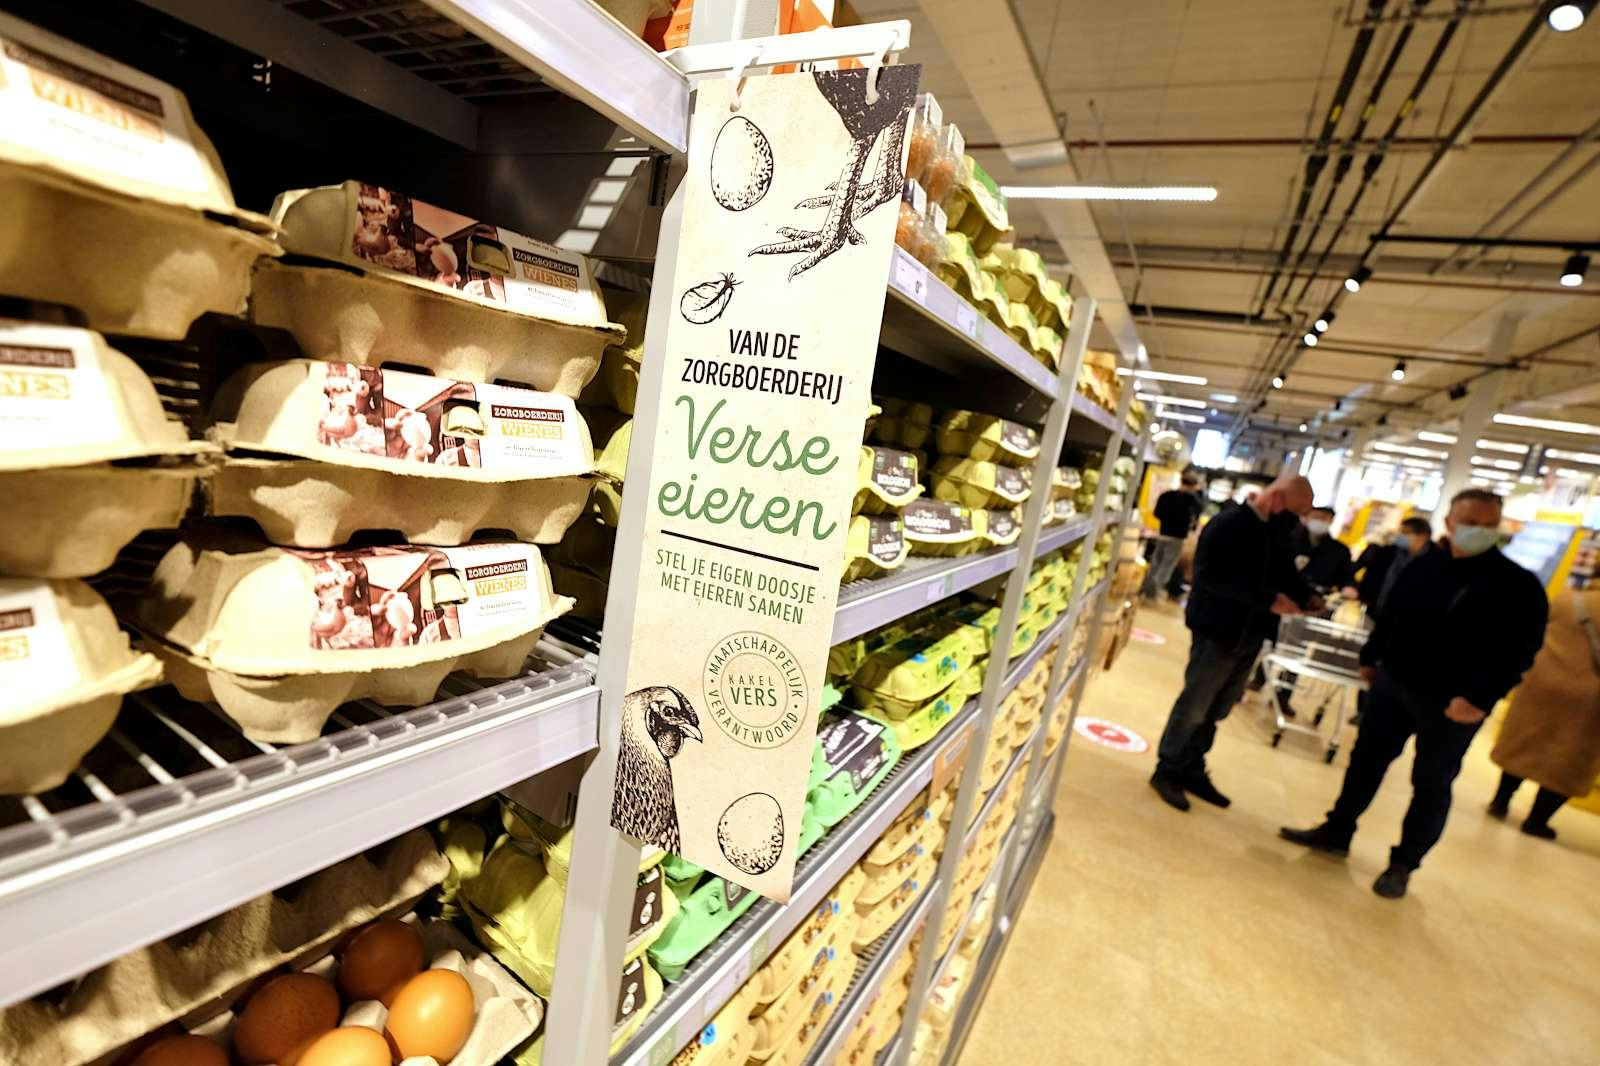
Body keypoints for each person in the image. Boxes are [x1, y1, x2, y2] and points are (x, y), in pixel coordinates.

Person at [1280, 489, 1548, 900]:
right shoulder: (1425, 565)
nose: (1479, 531)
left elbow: (1519, 652)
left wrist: (1479, 698)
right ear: (1450, 523)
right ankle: (1337, 830)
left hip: (1453, 704)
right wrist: (1371, 657)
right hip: (1394, 684)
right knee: (1365, 762)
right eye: (1471, 522)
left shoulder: (1518, 586)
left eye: (1488, 525)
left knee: (1432, 782)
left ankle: (1403, 864)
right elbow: (1390, 614)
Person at [1150, 472, 1318, 811]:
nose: (1298, 522)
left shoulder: (1277, 532)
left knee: (1218, 708)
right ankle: (1167, 768)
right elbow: (1209, 577)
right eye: (1296, 513)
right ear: (1277, 499)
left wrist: (1307, 595)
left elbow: (1285, 572)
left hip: (1251, 634)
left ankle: (1191, 767)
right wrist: (1267, 600)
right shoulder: (1229, 524)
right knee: (1195, 705)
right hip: (1217, 629)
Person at [1487, 583, 1600, 840]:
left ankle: (1501, 800)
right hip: (1589, 697)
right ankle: (1537, 820)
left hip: (1542, 683)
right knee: (1571, 758)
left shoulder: (1567, 599)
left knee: (1524, 742)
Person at [1143, 473, 1204, 600]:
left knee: (1156, 563)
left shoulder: (1167, 495)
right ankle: (1153, 592)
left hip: (1163, 533)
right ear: (1193, 486)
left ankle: (1146, 590)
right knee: (1167, 566)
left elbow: (1157, 513)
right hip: (1177, 537)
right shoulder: (1191, 500)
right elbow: (1200, 510)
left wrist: (1166, 521)